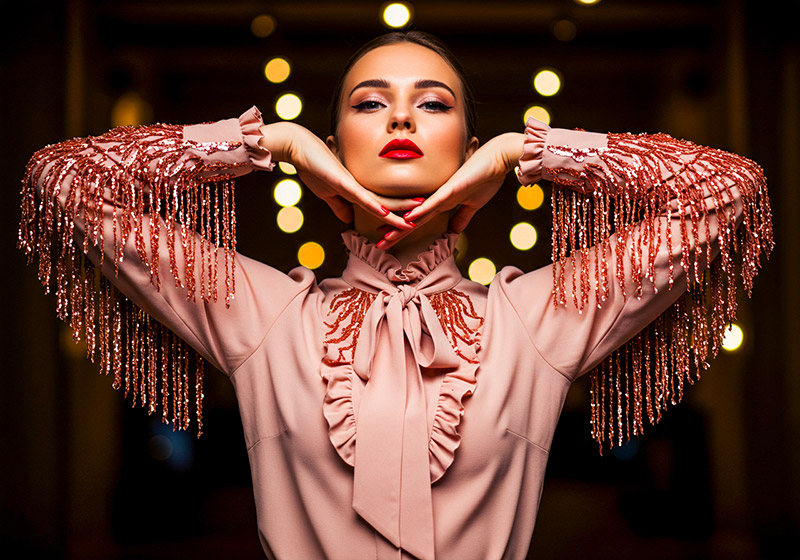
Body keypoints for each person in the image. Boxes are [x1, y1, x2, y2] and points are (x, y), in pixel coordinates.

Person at [19, 30, 772, 560]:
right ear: (336, 141)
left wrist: (524, 152)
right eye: (370, 103)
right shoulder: (261, 314)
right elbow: (62, 181)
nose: (403, 117)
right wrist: (271, 142)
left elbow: (730, 192)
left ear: (467, 149)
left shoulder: (537, 319)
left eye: (435, 104)